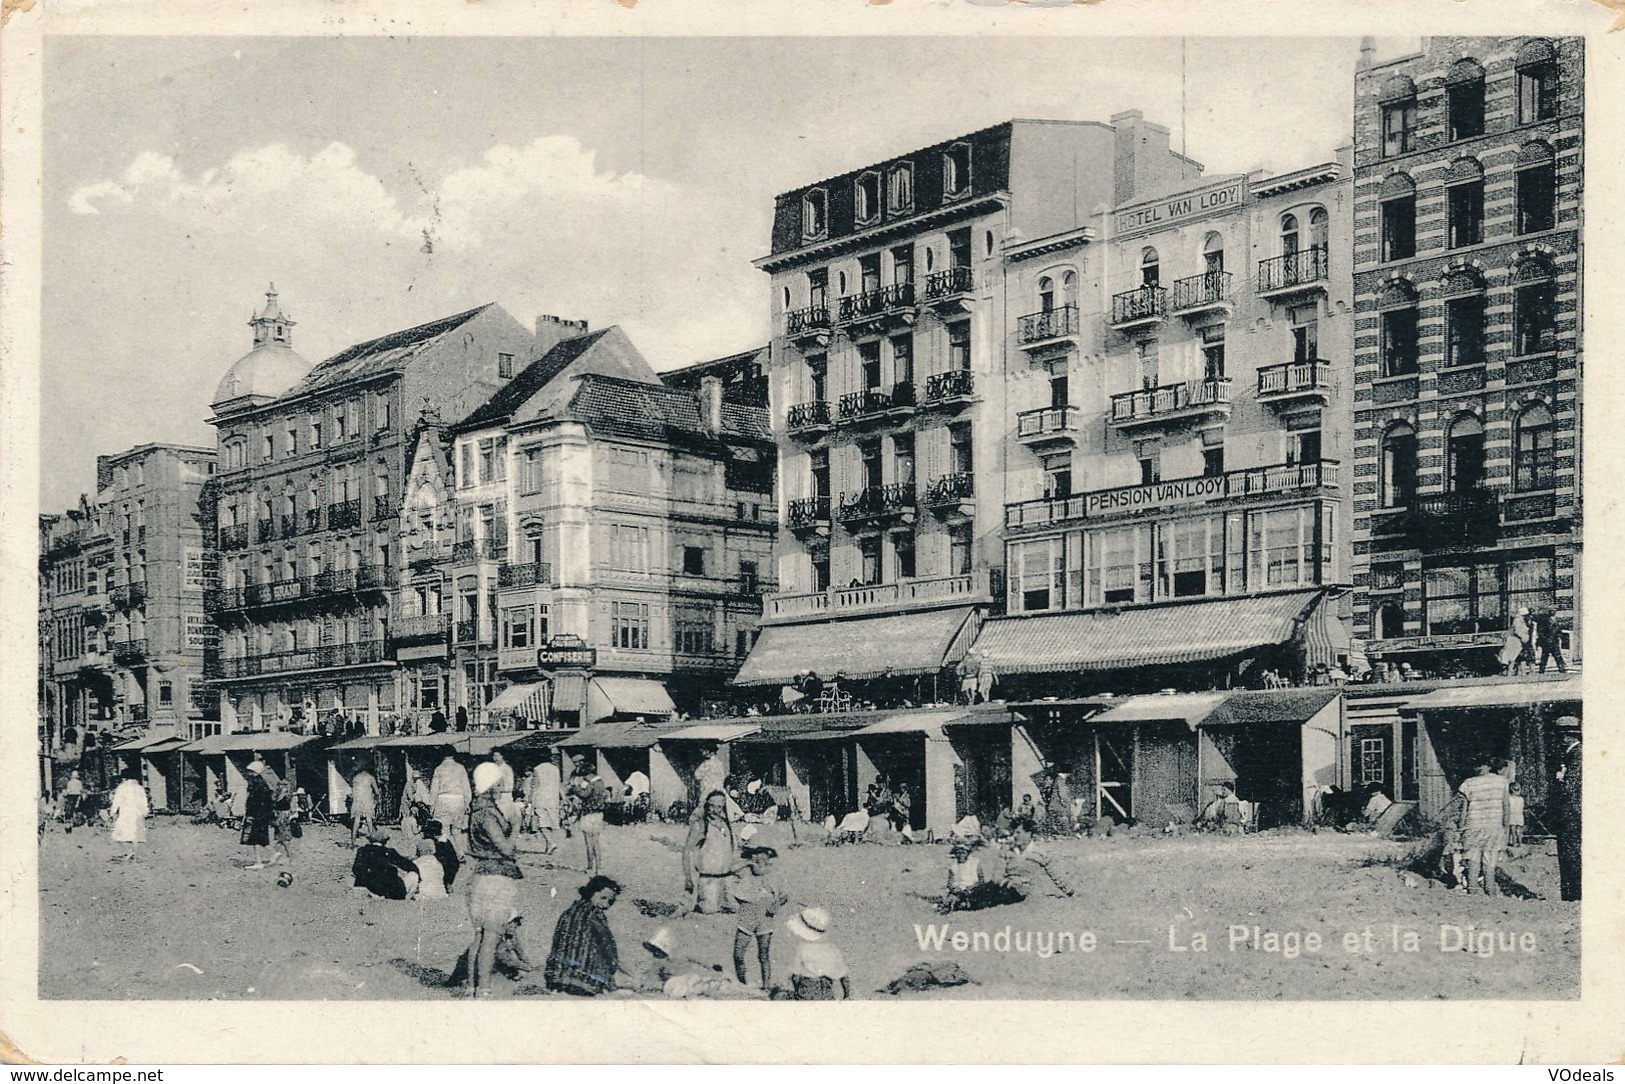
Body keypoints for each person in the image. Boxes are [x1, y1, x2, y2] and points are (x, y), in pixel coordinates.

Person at [465, 760, 526, 997]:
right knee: (490, 938)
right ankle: (484, 990)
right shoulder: (487, 813)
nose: (502, 784)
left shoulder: (477, 809)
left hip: (479, 876)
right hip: (496, 878)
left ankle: (472, 987)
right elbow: (506, 849)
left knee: (479, 937)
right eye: (498, 781)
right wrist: (516, 826)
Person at [545, 876, 629, 996]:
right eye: (603, 898)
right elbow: (605, 944)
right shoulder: (592, 915)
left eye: (610, 901)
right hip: (582, 978)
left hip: (556, 975)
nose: (606, 905)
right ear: (591, 893)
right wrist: (614, 967)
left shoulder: (571, 911)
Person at [732, 844, 786, 992]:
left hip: (764, 918)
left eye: (764, 860)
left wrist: (777, 904)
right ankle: (742, 984)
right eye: (757, 859)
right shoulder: (746, 872)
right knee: (738, 955)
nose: (759, 864)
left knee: (763, 955)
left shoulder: (774, 875)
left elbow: (783, 896)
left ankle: (766, 986)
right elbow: (731, 869)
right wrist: (748, 862)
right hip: (746, 916)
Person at [1457, 762, 1511, 896]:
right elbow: (1506, 806)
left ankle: (1473, 890)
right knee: (1490, 859)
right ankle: (1490, 890)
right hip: (1493, 825)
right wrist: (1505, 826)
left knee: (1473, 859)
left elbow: (1464, 809)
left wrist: (1461, 826)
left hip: (1473, 825)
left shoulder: (1467, 784)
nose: (1477, 767)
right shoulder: (1501, 781)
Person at [682, 790, 740, 915]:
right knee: (709, 909)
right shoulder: (700, 826)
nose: (714, 810)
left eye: (719, 806)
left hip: (726, 879)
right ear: (706, 805)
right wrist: (688, 878)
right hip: (709, 879)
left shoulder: (725, 825)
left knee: (734, 908)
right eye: (711, 806)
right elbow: (687, 851)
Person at [1002, 817, 1075, 901]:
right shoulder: (1009, 852)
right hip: (1009, 892)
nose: (1014, 835)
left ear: (1028, 833)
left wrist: (1069, 891)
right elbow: (999, 873)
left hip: (1032, 896)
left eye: (1018, 832)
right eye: (1013, 832)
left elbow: (1055, 873)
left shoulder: (1040, 852)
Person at [785, 907, 850, 1000]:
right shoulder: (832, 949)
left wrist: (797, 989)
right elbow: (844, 975)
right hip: (826, 991)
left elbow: (795, 975)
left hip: (806, 989)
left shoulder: (802, 948)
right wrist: (846, 995)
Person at [1553, 717, 1582, 901]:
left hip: (1572, 812)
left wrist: (1560, 781)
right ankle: (1570, 895)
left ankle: (1573, 895)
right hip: (1570, 812)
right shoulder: (1570, 755)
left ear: (1566, 737)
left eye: (1560, 737)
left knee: (1571, 852)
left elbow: (1571, 787)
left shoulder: (1577, 755)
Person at [567, 758, 610, 875]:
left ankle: (590, 866)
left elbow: (584, 794)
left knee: (588, 842)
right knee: (596, 841)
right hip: (599, 814)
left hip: (588, 814)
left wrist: (574, 787)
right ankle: (599, 867)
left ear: (588, 774)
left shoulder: (590, 783)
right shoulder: (601, 782)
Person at [352, 830, 420, 900]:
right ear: (385, 841)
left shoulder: (362, 851)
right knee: (413, 875)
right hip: (387, 890)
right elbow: (409, 865)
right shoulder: (389, 852)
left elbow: (355, 869)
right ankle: (407, 899)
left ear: (370, 840)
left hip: (366, 887)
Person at [430, 753, 472, 855]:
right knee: (457, 830)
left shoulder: (439, 769)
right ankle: (460, 852)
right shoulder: (460, 768)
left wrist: (432, 805)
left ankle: (445, 853)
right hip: (458, 799)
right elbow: (466, 787)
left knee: (443, 829)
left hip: (443, 799)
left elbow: (434, 789)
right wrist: (467, 802)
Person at [240, 755, 275, 869]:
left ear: (255, 772)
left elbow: (254, 802)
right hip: (262, 814)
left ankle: (260, 861)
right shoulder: (262, 784)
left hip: (257, 814)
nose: (249, 774)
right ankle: (272, 855)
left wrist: (250, 814)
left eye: (250, 771)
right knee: (260, 838)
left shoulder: (257, 785)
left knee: (255, 838)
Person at [108, 769, 148, 861]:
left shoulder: (122, 787)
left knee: (120, 833)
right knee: (135, 834)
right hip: (138, 813)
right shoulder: (139, 788)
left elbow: (117, 801)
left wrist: (113, 811)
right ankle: (134, 852)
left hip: (126, 813)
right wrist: (145, 811)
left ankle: (130, 852)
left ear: (124, 778)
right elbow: (144, 801)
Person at [348, 763, 379, 848]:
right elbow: (377, 791)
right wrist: (376, 798)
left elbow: (353, 791)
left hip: (358, 801)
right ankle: (374, 842)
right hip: (367, 801)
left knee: (356, 820)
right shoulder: (370, 778)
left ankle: (353, 841)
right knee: (369, 820)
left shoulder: (356, 778)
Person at [1532, 609, 1569, 674]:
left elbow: (1557, 630)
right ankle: (1542, 670)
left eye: (1554, 611)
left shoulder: (1555, 620)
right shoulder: (1545, 621)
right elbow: (1542, 632)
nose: (1553, 612)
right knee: (1545, 656)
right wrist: (1546, 639)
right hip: (1548, 642)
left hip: (1554, 641)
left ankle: (1562, 669)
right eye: (1552, 611)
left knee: (1557, 656)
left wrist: (1559, 636)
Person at [1507, 781, 1526, 849]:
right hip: (1519, 815)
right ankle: (1520, 843)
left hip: (1512, 815)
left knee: (1513, 830)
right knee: (1519, 831)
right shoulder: (1521, 799)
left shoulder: (1509, 798)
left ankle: (1514, 843)